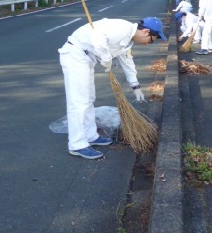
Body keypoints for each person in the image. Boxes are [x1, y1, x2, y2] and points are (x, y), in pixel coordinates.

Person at [58, 17, 167, 160]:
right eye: (151, 40)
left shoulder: (128, 40)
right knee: (79, 102)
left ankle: (90, 135)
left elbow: (127, 61)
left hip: (86, 59)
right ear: (146, 31)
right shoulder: (121, 28)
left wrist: (135, 86)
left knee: (89, 99)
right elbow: (97, 36)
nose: (148, 44)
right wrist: (105, 57)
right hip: (75, 55)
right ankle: (77, 144)